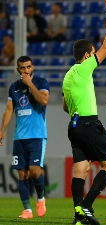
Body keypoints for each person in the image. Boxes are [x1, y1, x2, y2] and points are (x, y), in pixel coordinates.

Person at [62, 6, 106, 225]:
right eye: (92, 53)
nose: (95, 56)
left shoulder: (68, 76)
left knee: (81, 169)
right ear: (86, 56)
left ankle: (78, 217)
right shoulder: (83, 69)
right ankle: (86, 206)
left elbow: (65, 107)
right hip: (88, 123)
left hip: (74, 125)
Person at [0, 55, 49, 219]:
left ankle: (41, 198)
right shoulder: (14, 87)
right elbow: (9, 110)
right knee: (22, 174)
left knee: (35, 171)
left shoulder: (41, 83)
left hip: (37, 135)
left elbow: (43, 101)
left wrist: (30, 84)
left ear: (32, 67)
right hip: (19, 137)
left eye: (28, 67)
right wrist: (2, 130)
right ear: (18, 70)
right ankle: (27, 210)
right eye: (23, 68)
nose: (26, 70)